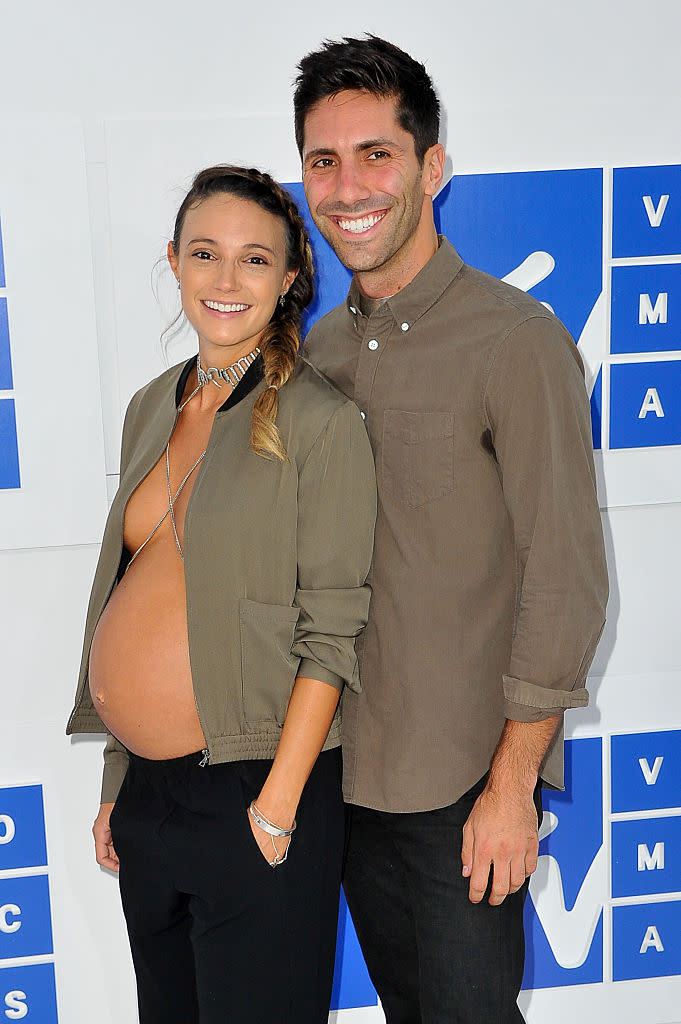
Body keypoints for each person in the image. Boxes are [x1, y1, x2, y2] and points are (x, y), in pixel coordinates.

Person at [294, 35, 609, 1023]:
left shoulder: (515, 342)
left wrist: (512, 787)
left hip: (463, 789)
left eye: (376, 154)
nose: (349, 186)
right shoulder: (321, 347)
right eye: (324, 159)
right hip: (347, 776)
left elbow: (566, 580)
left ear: (433, 166)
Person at [66, 164, 377, 1024]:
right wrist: (116, 780)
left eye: (254, 260)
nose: (226, 280)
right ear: (174, 262)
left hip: (257, 793)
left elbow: (332, 628)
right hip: (149, 803)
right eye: (206, 254)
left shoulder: (319, 420)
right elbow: (128, 591)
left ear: (288, 279)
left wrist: (275, 809)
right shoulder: (147, 407)